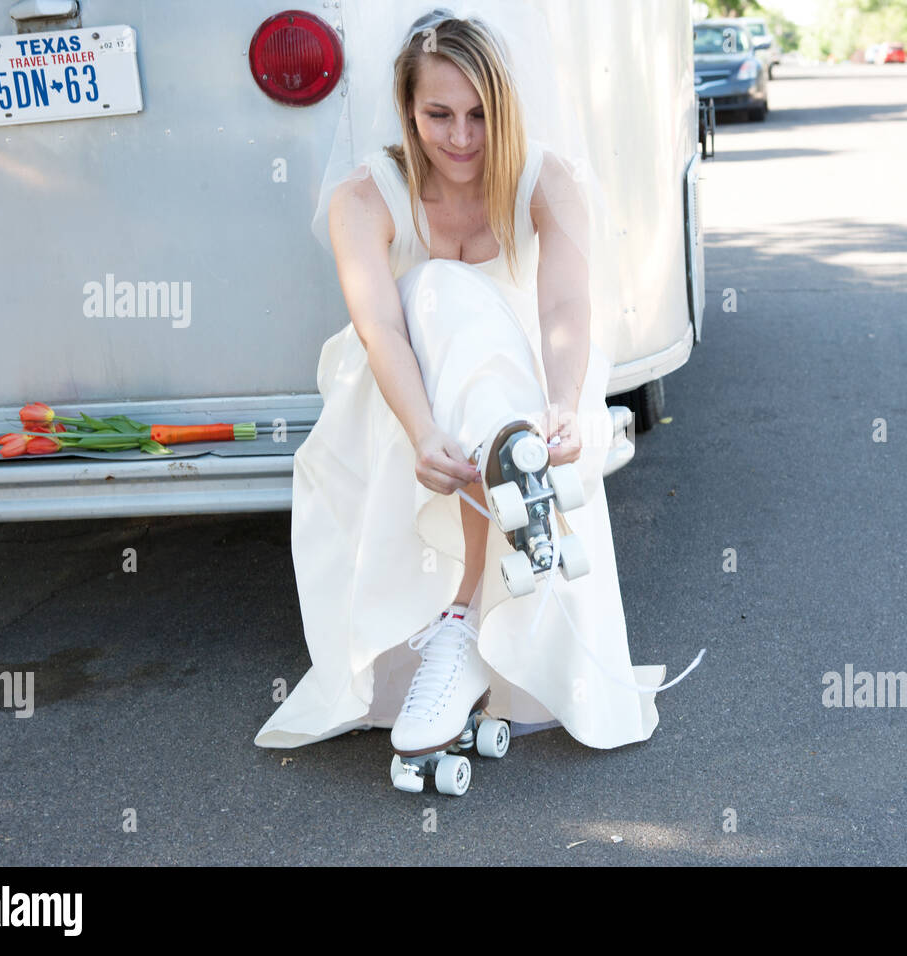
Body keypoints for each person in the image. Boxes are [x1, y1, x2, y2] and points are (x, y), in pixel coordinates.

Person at [253, 6, 691, 791]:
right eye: (438, 115)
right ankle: (505, 501)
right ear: (405, 109)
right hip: (402, 391)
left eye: (481, 115)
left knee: (495, 382)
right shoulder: (365, 197)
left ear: (507, 106)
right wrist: (423, 434)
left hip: (529, 381)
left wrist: (561, 405)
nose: (461, 138)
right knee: (434, 288)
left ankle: (460, 608)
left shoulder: (545, 179)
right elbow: (381, 328)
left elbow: (563, 311)